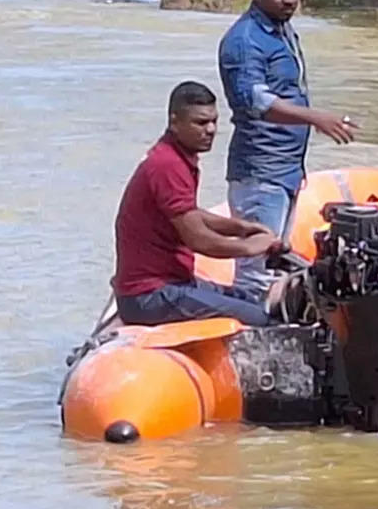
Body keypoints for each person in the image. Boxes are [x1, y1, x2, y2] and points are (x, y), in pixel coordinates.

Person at [218, 0, 358, 297]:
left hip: (287, 170)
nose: (290, 0)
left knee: (275, 263)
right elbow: (256, 101)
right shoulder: (244, 41)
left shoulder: (282, 31)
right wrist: (316, 119)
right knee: (256, 273)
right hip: (260, 171)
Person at [113, 82, 286, 327]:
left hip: (173, 282)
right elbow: (199, 240)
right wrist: (250, 247)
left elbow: (190, 214)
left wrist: (243, 228)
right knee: (260, 319)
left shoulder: (179, 157)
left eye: (214, 121)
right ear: (174, 122)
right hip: (148, 295)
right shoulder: (167, 165)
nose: (211, 129)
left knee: (250, 298)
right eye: (201, 123)